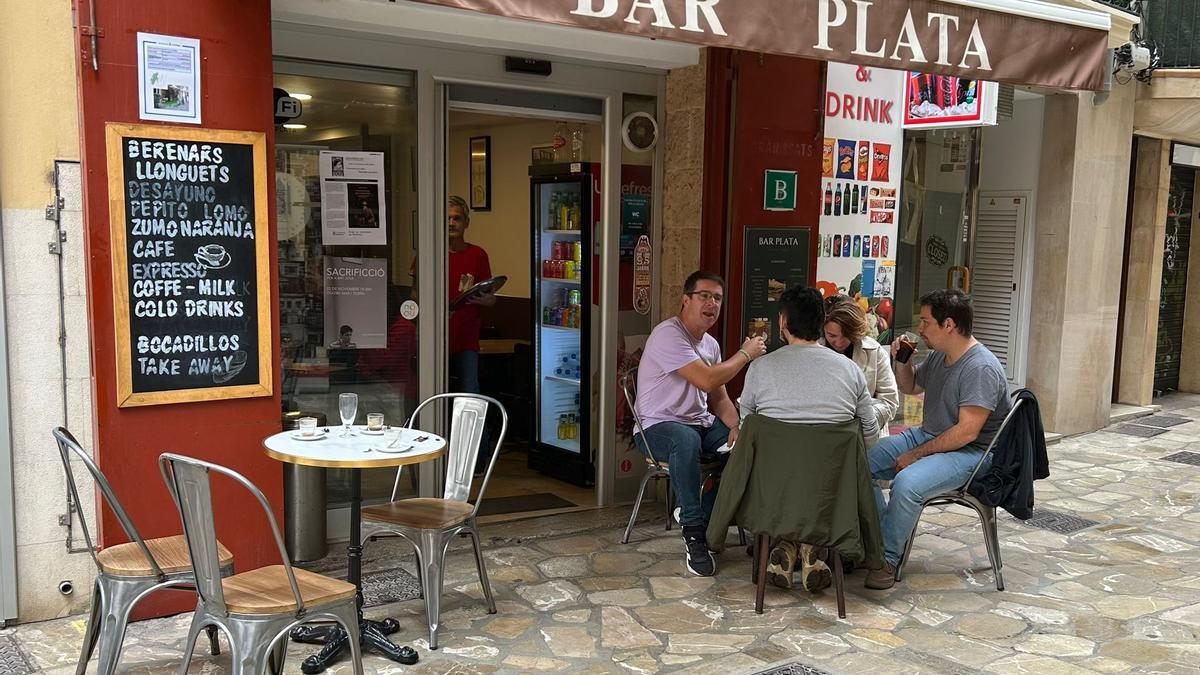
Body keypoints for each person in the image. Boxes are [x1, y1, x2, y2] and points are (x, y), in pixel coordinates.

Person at [865, 289, 1011, 590]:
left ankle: (887, 559)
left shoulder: (979, 367)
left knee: (907, 483)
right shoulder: (940, 357)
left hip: (972, 453)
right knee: (857, 463)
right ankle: (878, 541)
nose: (920, 329)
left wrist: (916, 455)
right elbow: (908, 386)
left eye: (926, 322)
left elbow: (967, 432)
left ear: (949, 325)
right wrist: (902, 360)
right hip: (930, 435)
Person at [738, 286, 879, 592]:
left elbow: (746, 426)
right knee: (814, 486)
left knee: (773, 475)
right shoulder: (850, 371)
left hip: (773, 499)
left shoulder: (759, 369)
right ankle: (806, 546)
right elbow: (870, 433)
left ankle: (789, 544)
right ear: (820, 324)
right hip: (832, 498)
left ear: (783, 322)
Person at [635, 271, 767, 576]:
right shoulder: (668, 334)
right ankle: (694, 533)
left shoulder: (710, 344)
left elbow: (719, 399)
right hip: (655, 428)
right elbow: (706, 378)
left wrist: (737, 425)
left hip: (698, 424)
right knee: (685, 440)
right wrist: (745, 354)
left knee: (747, 443)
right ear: (686, 300)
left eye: (718, 298)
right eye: (704, 296)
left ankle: (704, 516)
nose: (712, 304)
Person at [820, 297, 899, 444]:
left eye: (846, 336)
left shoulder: (874, 351)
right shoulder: (813, 351)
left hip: (866, 440)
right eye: (831, 335)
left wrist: (863, 418)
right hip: (823, 437)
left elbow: (890, 401)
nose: (839, 342)